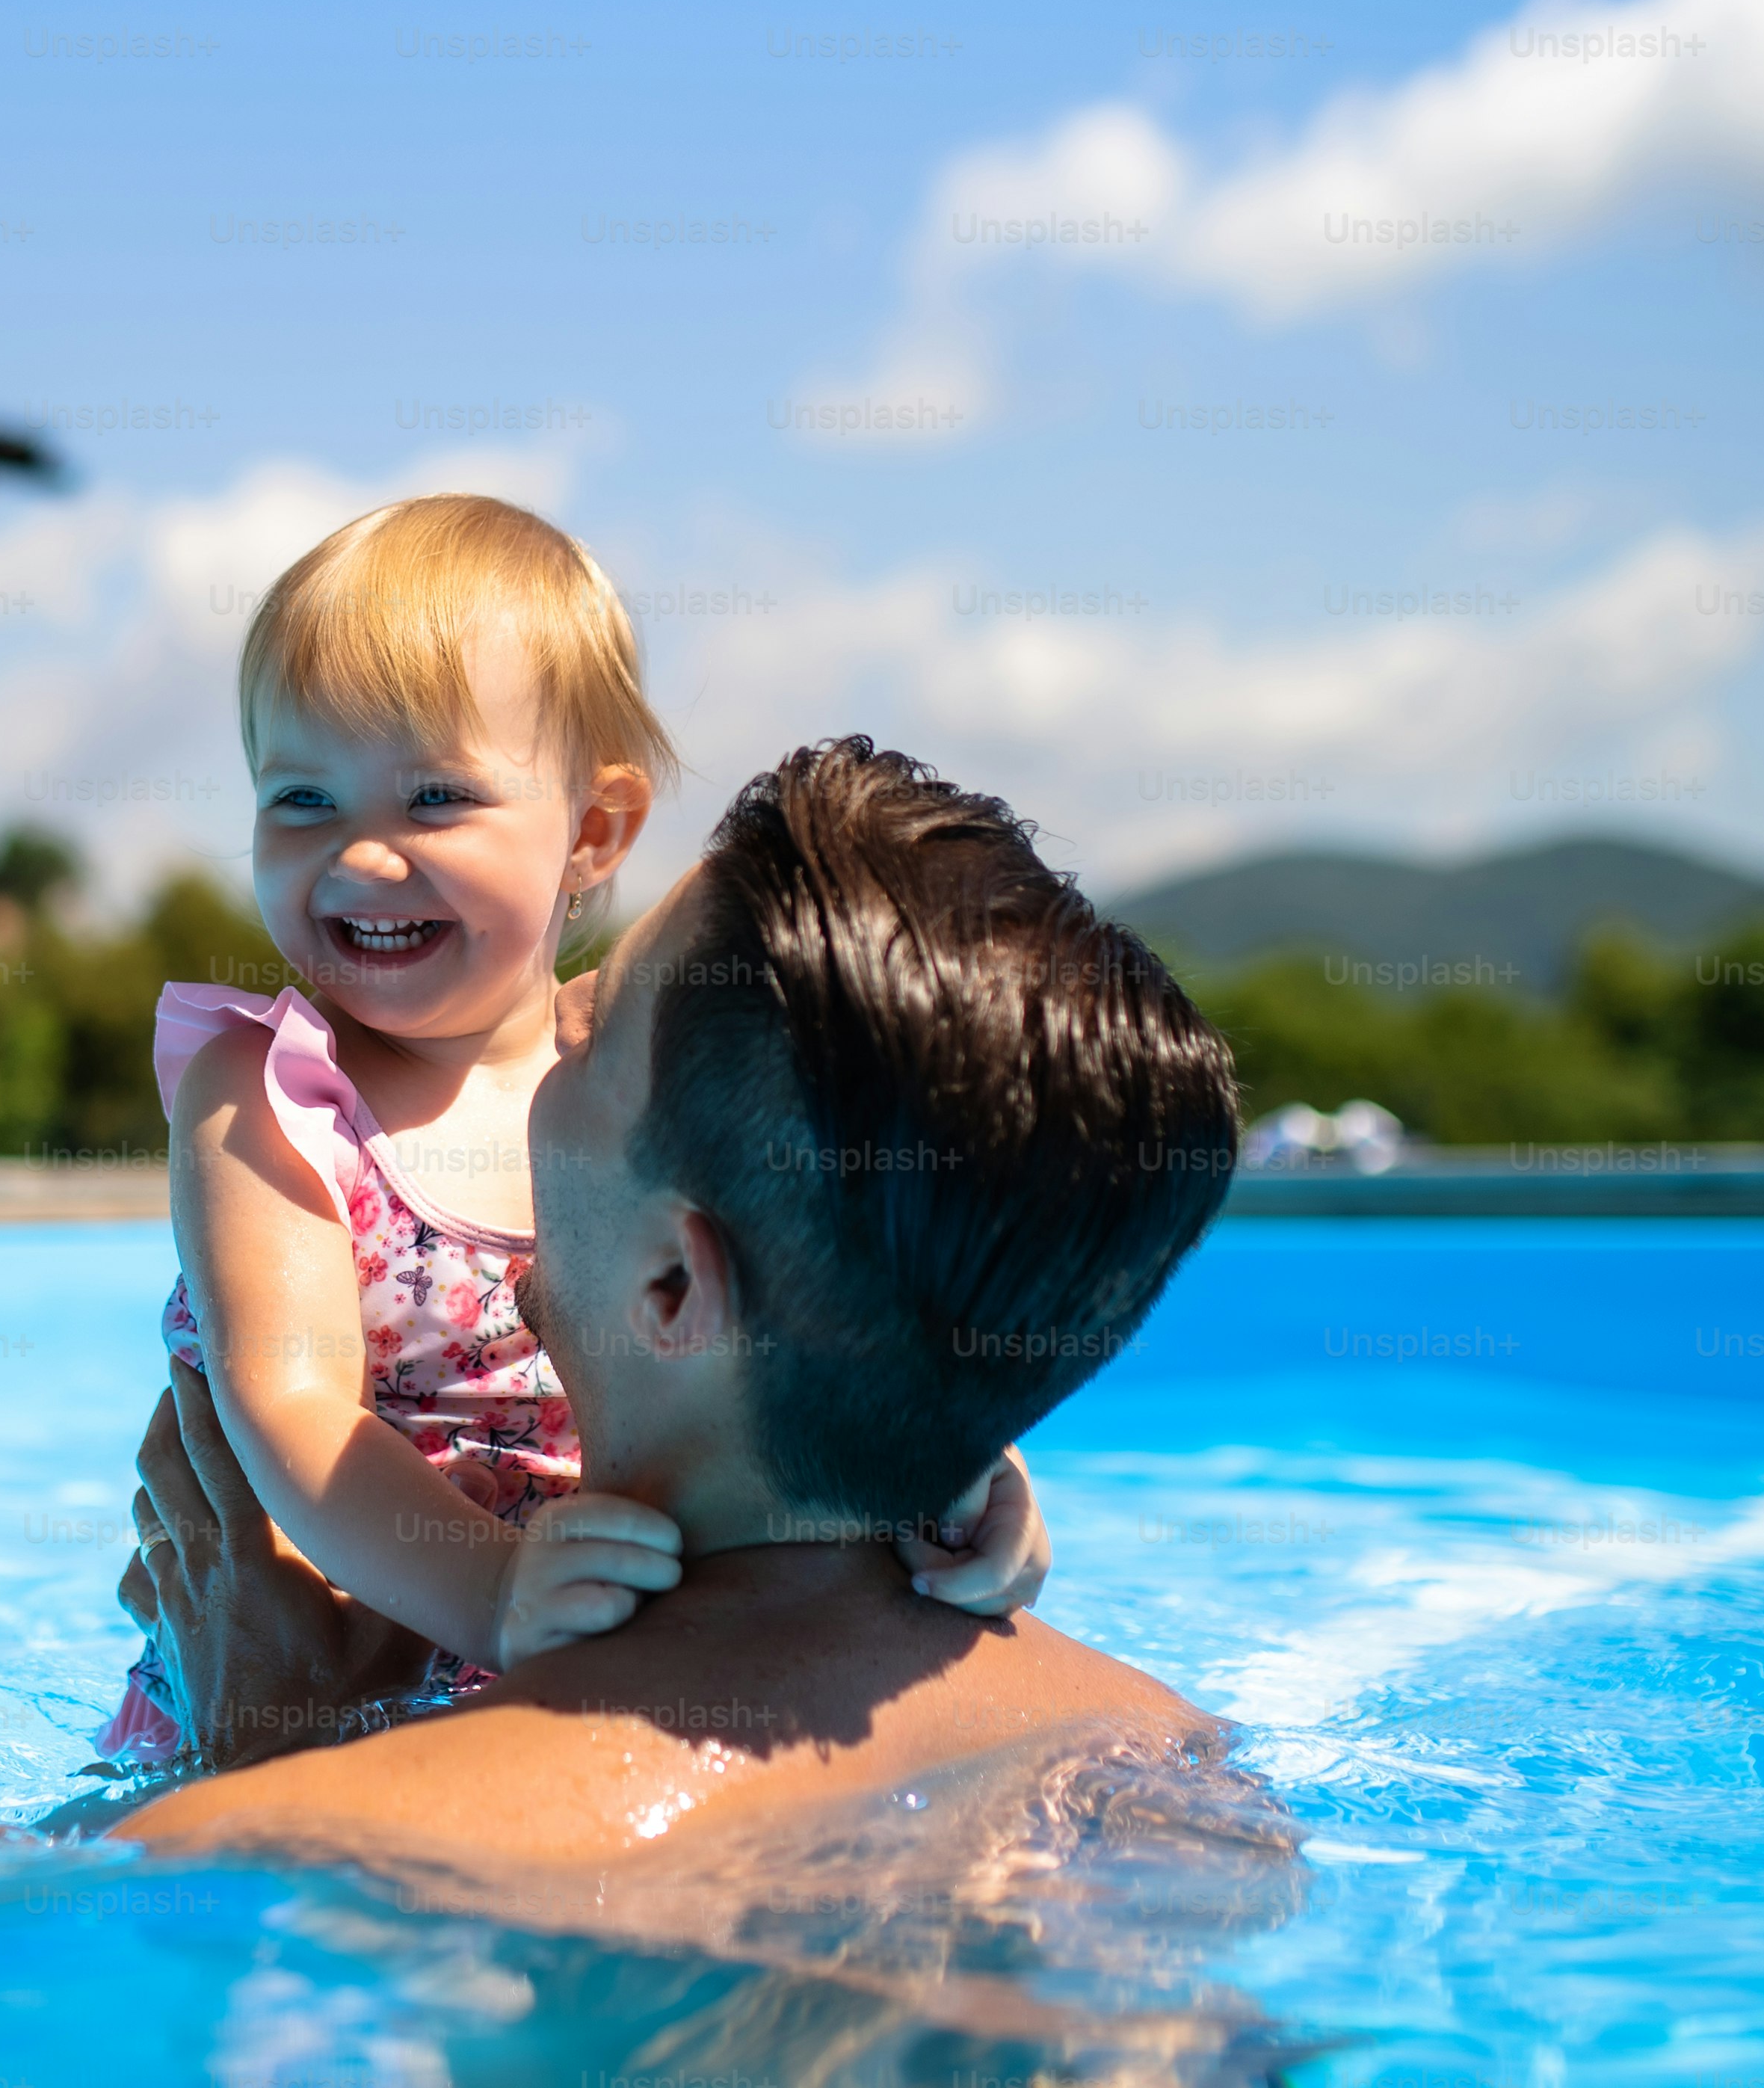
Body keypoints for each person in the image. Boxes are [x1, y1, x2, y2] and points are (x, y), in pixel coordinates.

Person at [107, 736, 1240, 1873]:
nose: (549, 1031)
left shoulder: (278, 1843)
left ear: (673, 1287)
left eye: (592, 1044)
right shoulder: (1185, 1786)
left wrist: (264, 1761)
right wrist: (934, 1445)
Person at [95, 502, 1050, 1768]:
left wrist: (960, 1471)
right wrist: (492, 1594)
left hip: (593, 1650)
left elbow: (814, 1302)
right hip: (326, 1676)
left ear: (593, 832)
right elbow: (293, 1404)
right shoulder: (266, 1089)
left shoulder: (640, 1067)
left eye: (436, 798)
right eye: (302, 798)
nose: (361, 856)